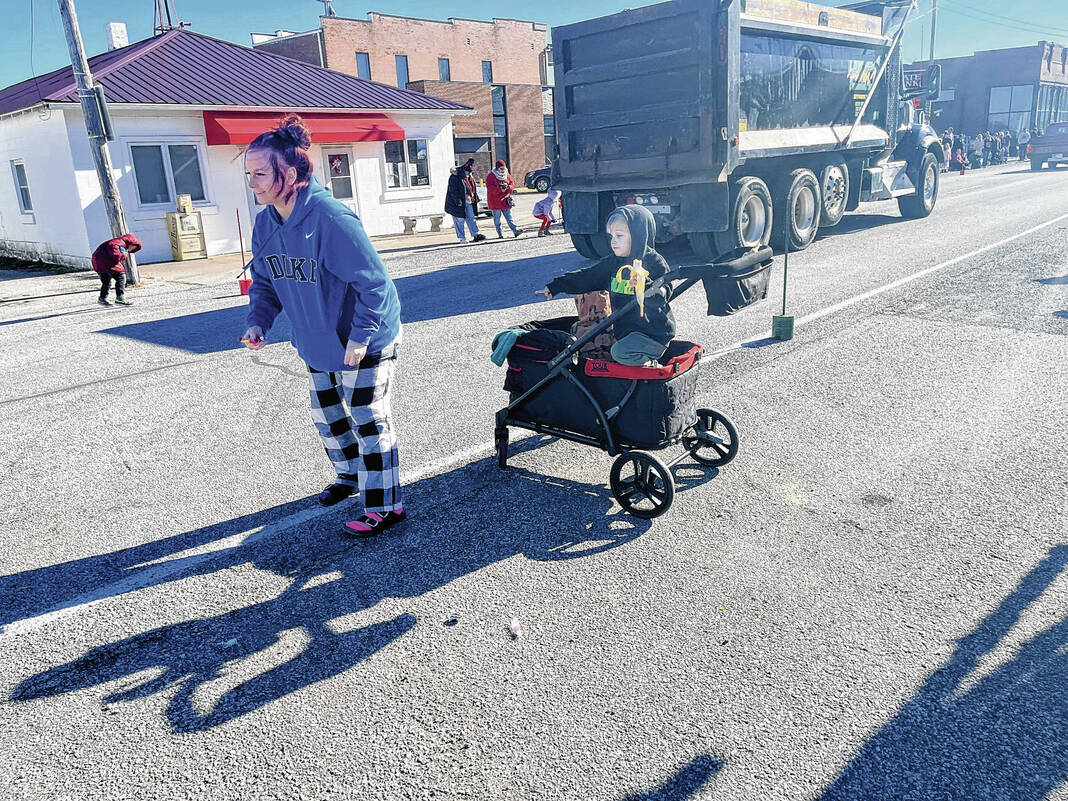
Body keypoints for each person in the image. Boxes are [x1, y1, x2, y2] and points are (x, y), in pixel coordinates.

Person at [240, 114, 406, 537]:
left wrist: (360, 337)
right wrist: (259, 322)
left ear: (289, 173)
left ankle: (386, 505)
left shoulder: (331, 219)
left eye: (261, 173)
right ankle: (351, 476)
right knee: (328, 416)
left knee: (368, 418)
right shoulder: (265, 223)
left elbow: (376, 287)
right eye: (250, 173)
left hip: (363, 336)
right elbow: (264, 281)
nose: (253, 182)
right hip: (316, 340)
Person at [536, 204, 675, 366]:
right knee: (603, 346)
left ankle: (653, 368)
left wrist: (645, 285)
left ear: (638, 236)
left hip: (653, 332)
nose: (613, 241)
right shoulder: (613, 263)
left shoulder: (654, 262)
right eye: (611, 236)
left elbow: (665, 293)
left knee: (619, 352)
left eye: (620, 236)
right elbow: (587, 277)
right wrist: (556, 286)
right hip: (627, 331)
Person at [92, 233, 141, 306]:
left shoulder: (118, 242)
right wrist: (124, 255)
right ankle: (120, 298)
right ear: (132, 243)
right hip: (106, 262)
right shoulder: (119, 244)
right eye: (134, 247)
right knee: (121, 276)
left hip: (99, 261)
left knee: (106, 281)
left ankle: (102, 299)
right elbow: (116, 256)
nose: (132, 249)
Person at [485, 159, 523, 238]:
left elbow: (512, 184)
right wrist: (500, 189)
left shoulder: (507, 174)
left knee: (510, 218)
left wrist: (508, 187)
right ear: (497, 168)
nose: (503, 170)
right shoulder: (491, 176)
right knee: (497, 220)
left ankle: (515, 231)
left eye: (504, 168)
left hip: (505, 201)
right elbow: (490, 188)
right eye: (501, 169)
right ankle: (500, 234)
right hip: (495, 202)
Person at [445, 166, 479, 244]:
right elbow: (453, 191)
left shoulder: (468, 178)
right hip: (457, 203)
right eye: (467, 172)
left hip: (468, 200)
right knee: (459, 220)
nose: (468, 174)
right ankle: (462, 237)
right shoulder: (454, 178)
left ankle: (476, 234)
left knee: (471, 218)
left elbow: (471, 188)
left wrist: (475, 197)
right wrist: (458, 201)